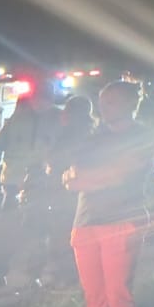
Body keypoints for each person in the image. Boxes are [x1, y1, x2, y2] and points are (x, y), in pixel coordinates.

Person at [59, 80, 154, 307]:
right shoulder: (93, 136)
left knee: (118, 295)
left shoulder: (142, 136)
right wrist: (88, 178)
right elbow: (71, 174)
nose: (103, 106)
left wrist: (87, 179)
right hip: (86, 222)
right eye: (102, 100)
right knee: (95, 297)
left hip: (122, 223)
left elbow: (118, 175)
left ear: (130, 104)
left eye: (111, 101)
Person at [0, 88, 59, 284]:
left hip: (40, 185)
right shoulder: (17, 119)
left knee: (36, 232)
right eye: (39, 99)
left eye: (45, 99)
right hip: (13, 184)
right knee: (6, 230)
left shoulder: (58, 119)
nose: (41, 103)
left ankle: (34, 277)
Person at [39, 96, 95, 286]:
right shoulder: (92, 132)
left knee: (62, 233)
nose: (63, 114)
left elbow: (57, 161)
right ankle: (73, 274)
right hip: (79, 193)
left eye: (67, 110)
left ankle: (65, 276)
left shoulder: (71, 135)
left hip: (65, 192)